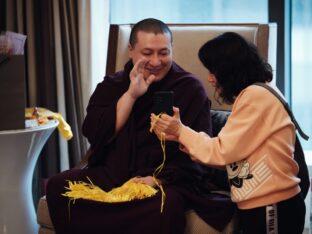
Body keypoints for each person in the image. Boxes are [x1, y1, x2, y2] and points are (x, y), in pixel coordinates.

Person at [46, 18, 235, 234]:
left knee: (167, 205)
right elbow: (94, 133)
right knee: (58, 186)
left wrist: (156, 179)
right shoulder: (114, 85)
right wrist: (131, 95)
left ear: (172, 49)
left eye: (164, 53)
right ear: (131, 50)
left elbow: (199, 153)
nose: (156, 61)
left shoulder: (189, 88)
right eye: (147, 53)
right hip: (113, 174)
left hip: (162, 181)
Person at [151, 31, 306, 234]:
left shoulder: (255, 97)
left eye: (213, 70)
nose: (209, 78)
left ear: (229, 70)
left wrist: (180, 131)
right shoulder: (260, 91)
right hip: (268, 204)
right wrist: (183, 136)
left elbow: (222, 151)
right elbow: (232, 154)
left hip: (271, 205)